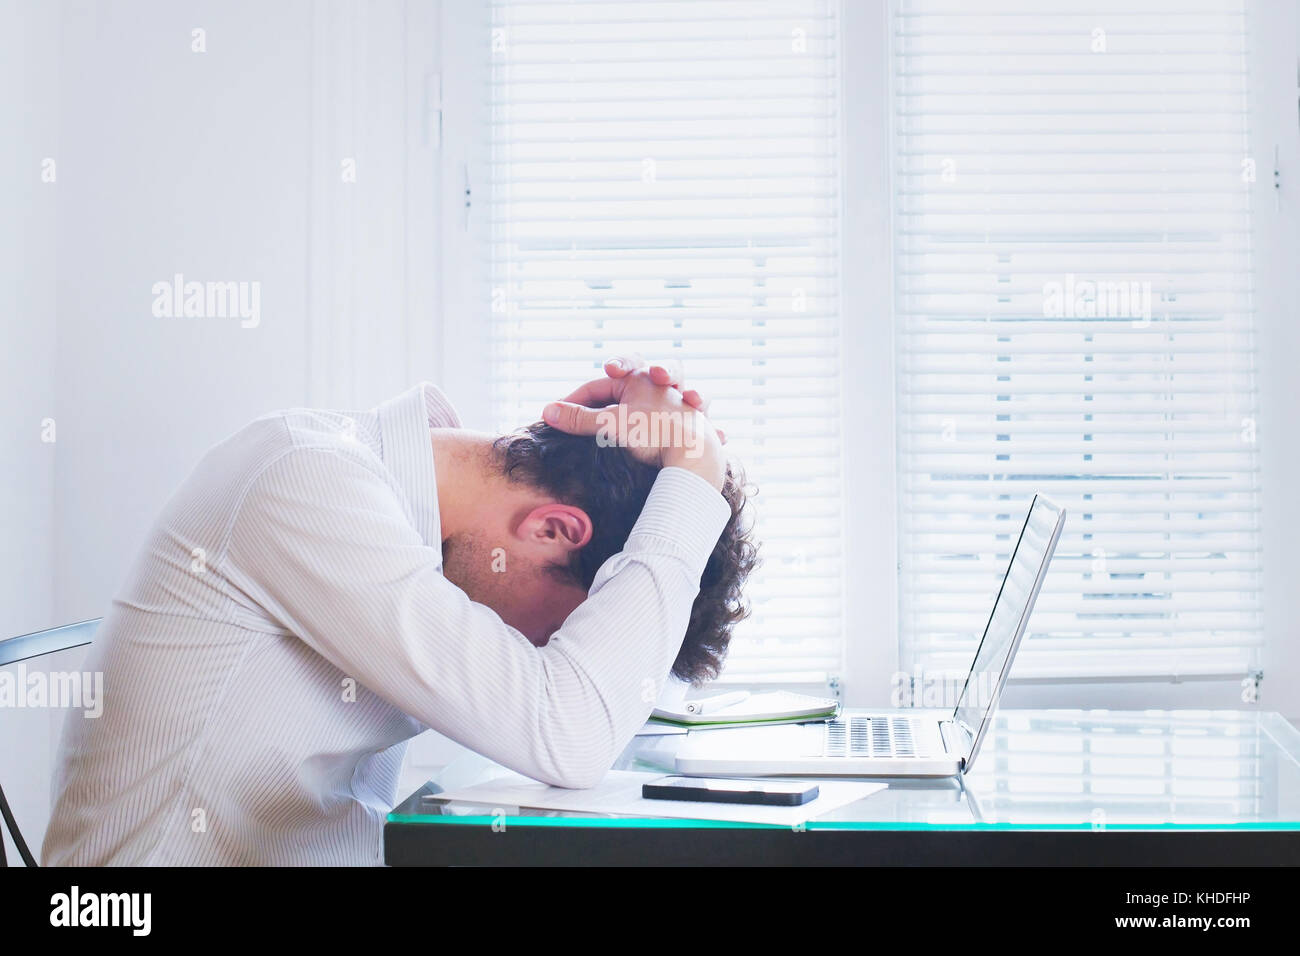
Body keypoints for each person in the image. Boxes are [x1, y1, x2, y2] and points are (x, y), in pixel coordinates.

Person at [41, 357, 757, 865]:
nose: (541, 651)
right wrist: (693, 471)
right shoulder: (308, 481)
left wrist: (611, 456)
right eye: (560, 634)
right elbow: (566, 729)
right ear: (551, 531)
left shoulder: (389, 505)